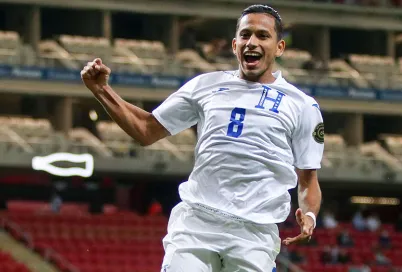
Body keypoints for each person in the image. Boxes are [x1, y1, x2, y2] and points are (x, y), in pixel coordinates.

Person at [80, 4, 323, 272]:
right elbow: (146, 129)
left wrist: (309, 215)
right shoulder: (205, 85)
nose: (251, 42)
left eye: (262, 36)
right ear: (234, 44)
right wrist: (102, 90)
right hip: (197, 223)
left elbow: (308, 180)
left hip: (254, 233)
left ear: (279, 47)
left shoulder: (302, 106)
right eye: (245, 35)